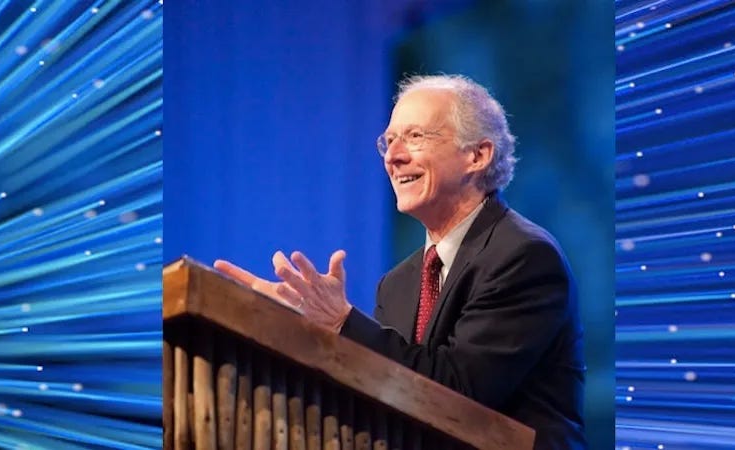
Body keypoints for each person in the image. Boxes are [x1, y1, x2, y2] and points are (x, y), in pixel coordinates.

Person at [215, 74, 586, 450]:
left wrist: (342, 323)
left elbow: (458, 396)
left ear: (477, 156)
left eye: (415, 136)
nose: (393, 156)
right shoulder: (397, 284)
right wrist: (300, 335)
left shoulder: (523, 257)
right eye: (389, 141)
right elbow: (381, 397)